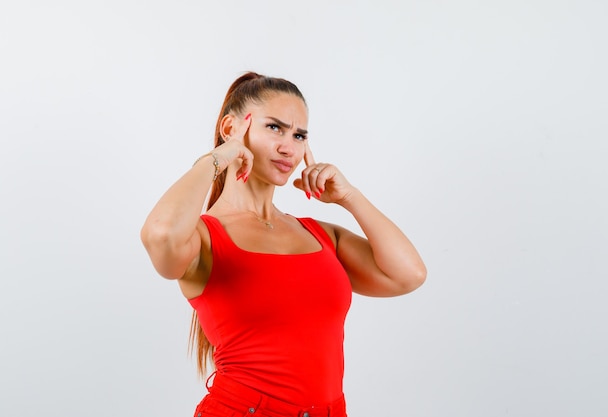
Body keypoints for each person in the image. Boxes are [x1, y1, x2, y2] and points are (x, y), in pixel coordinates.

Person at [140, 71, 427, 417]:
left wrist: (349, 197)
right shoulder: (202, 238)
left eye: (299, 135)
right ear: (231, 128)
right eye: (274, 128)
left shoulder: (321, 235)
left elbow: (408, 275)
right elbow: (160, 235)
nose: (288, 147)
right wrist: (218, 157)